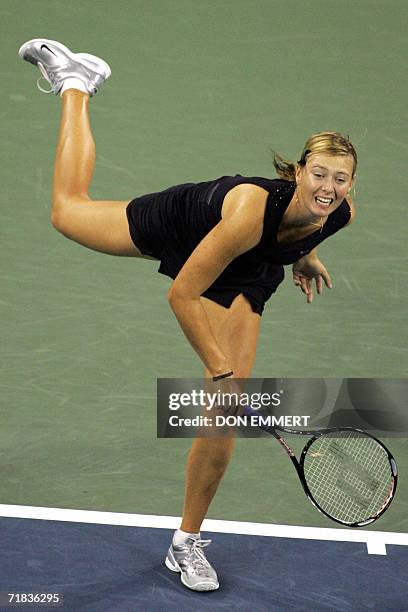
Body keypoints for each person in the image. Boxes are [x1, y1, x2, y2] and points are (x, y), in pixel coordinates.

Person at [19, 39, 357, 592]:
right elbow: (181, 295)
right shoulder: (251, 211)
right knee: (66, 209)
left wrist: (305, 255)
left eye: (340, 180)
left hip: (251, 270)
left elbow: (311, 226)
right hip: (189, 227)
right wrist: (218, 369)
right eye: (319, 174)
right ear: (299, 171)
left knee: (220, 413)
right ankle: (77, 84)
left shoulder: (339, 212)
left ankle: (186, 543)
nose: (329, 188)